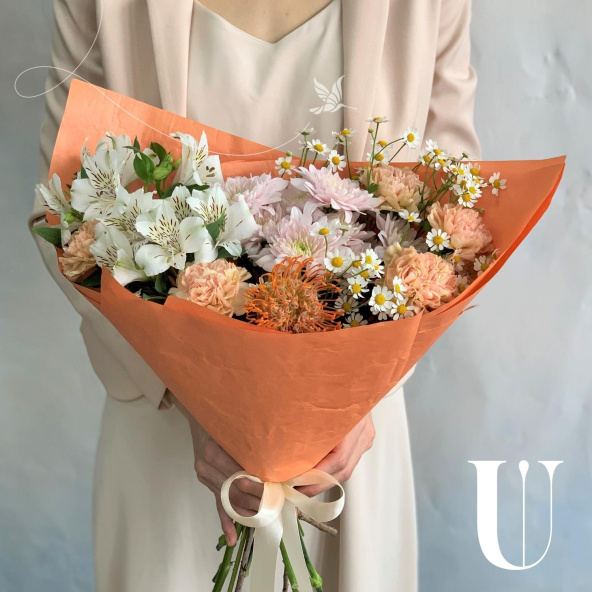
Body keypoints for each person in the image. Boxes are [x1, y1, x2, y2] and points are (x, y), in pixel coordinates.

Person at [30, 1, 480, 590]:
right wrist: (195, 401)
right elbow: (64, 212)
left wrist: (353, 399)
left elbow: (458, 214)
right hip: (171, 440)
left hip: (348, 448)